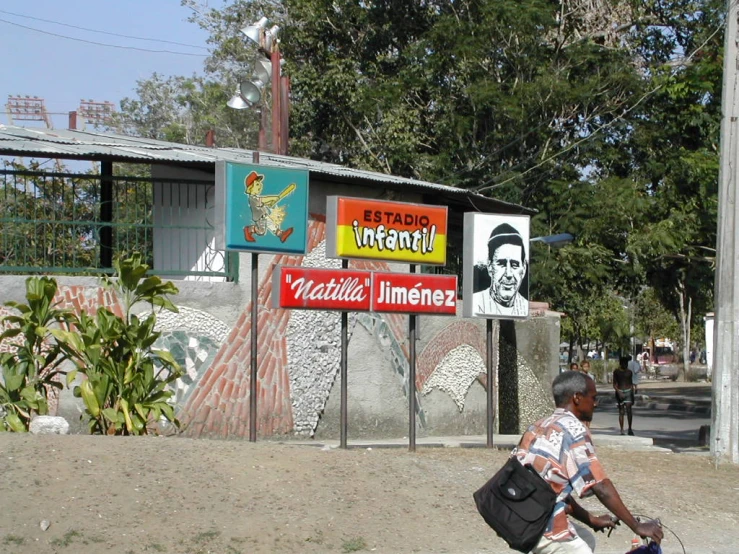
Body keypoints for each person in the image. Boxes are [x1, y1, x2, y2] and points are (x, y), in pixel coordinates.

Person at [514, 371, 663, 553]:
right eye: (593, 397)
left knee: (586, 539)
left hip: (517, 516)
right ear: (577, 398)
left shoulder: (539, 426)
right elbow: (601, 486)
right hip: (541, 524)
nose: (595, 403)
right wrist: (636, 526)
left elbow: (553, 489)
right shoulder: (575, 430)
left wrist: (591, 519)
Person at [472, 223, 528, 317]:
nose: (509, 274)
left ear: (524, 269)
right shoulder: (475, 303)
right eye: (501, 264)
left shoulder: (525, 308)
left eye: (514, 265)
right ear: (490, 266)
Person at [613, 357, 635, 436]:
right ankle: (622, 430)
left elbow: (631, 383)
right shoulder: (616, 372)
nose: (625, 365)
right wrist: (618, 392)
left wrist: (632, 394)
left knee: (629, 411)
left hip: (628, 392)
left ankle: (630, 428)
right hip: (620, 392)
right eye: (623, 363)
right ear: (620, 364)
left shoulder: (629, 372)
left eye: (626, 363)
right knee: (621, 411)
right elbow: (614, 384)